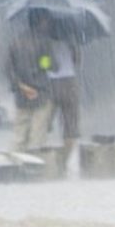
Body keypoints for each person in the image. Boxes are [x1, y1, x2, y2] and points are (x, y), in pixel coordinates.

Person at [6, 9, 56, 151]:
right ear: (41, 22)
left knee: (19, 136)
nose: (48, 24)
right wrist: (46, 61)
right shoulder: (44, 42)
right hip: (41, 93)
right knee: (37, 134)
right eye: (47, 21)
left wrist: (21, 86)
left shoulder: (15, 42)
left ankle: (16, 165)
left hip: (21, 95)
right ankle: (34, 165)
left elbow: (8, 69)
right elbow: (47, 65)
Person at [47, 31, 81, 169]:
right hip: (69, 83)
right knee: (70, 126)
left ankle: (45, 160)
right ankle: (64, 161)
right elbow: (77, 61)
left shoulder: (43, 42)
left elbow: (43, 64)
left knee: (43, 123)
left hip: (49, 83)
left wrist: (48, 63)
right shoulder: (72, 41)